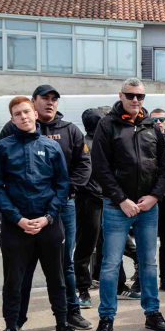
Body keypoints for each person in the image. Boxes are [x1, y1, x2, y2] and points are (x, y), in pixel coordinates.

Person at [0, 96, 80, 331]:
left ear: (35, 114)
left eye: (27, 112)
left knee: (57, 277)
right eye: (18, 114)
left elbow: (63, 186)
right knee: (14, 281)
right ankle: (11, 330)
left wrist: (49, 217)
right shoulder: (3, 148)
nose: (24, 117)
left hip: (48, 224)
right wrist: (17, 218)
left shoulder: (51, 148)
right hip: (16, 226)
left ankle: (62, 325)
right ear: (12, 119)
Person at [88, 79, 165, 331]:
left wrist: (155, 196)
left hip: (148, 207)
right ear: (121, 95)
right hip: (117, 206)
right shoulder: (107, 125)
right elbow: (100, 167)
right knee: (110, 265)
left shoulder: (151, 126)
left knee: (148, 263)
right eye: (131, 95)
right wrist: (121, 199)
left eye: (141, 96)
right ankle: (107, 318)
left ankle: (152, 313)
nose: (136, 100)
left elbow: (164, 168)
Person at [74, 107, 105, 312]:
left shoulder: (104, 142)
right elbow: (82, 174)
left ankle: (114, 284)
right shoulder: (84, 144)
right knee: (86, 245)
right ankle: (83, 289)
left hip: (107, 199)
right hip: (89, 200)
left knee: (106, 244)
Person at [149, 107, 165, 292]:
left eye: (161, 119)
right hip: (148, 198)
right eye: (154, 120)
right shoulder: (144, 139)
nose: (158, 122)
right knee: (147, 240)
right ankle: (142, 276)